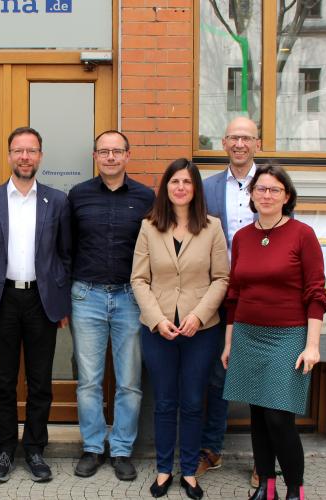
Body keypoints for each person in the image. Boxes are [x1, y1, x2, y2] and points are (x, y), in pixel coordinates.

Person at [0, 126, 72, 484]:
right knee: (3, 382)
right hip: (2, 301)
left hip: (41, 301)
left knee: (40, 381)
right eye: (18, 150)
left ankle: (35, 449)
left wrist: (62, 303)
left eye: (31, 151)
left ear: (40, 156)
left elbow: (65, 256)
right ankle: (4, 450)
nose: (25, 157)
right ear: (9, 155)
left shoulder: (57, 201)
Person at [221, 163, 326, 500]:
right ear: (252, 196)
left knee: (279, 417)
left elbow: (316, 294)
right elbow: (234, 295)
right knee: (257, 415)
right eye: (261, 189)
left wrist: (312, 346)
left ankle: (295, 488)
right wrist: (229, 343)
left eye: (274, 190)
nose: (266, 195)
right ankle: (266, 486)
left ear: (286, 196)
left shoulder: (302, 234)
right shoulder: (242, 238)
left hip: (288, 337)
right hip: (247, 335)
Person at [131, 158, 229, 499]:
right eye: (175, 181)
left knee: (192, 401)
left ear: (196, 188)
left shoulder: (212, 227)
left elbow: (221, 278)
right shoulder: (149, 226)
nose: (181, 187)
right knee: (164, 402)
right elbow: (139, 279)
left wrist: (198, 316)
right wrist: (157, 319)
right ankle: (163, 470)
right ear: (166, 187)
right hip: (158, 330)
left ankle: (188, 471)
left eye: (187, 182)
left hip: (200, 331)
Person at [68, 130, 154, 481]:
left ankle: (121, 449)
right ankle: (92, 446)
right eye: (104, 151)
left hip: (130, 297)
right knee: (88, 380)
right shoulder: (78, 195)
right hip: (86, 295)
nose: (110, 157)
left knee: (129, 381)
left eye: (117, 151)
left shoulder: (146, 197)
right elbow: (66, 246)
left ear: (128, 155)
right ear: (95, 156)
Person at [198, 116, 262, 483]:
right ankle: (211, 449)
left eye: (246, 138)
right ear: (223, 143)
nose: (240, 144)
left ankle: (262, 458)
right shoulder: (207, 188)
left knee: (260, 378)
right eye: (234, 138)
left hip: (259, 296)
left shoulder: (270, 185)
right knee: (216, 376)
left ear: (257, 144)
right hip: (218, 294)